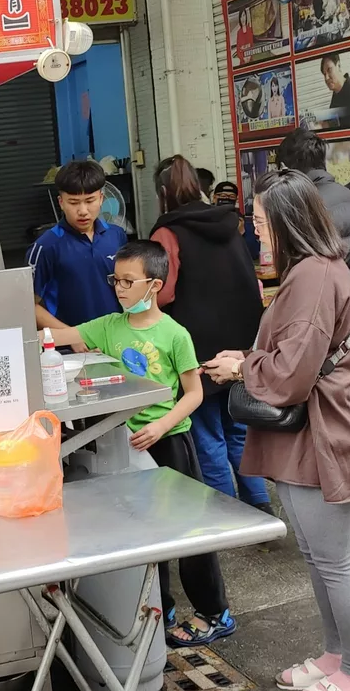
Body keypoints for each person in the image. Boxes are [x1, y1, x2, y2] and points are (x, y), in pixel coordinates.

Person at [202, 170, 350, 691]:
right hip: (308, 435)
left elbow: (291, 374)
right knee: (318, 557)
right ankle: (335, 655)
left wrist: (241, 365)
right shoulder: (313, 271)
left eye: (260, 224)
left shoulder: (313, 278)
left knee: (335, 563)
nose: (256, 234)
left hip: (321, 437)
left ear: (288, 225)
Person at [57, 240, 235, 647]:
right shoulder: (107, 326)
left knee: (189, 530)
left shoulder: (175, 334)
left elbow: (193, 393)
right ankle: (162, 606)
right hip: (126, 446)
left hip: (170, 441)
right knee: (144, 532)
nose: (119, 289)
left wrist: (161, 427)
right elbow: (58, 334)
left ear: (154, 285)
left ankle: (214, 612)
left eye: (128, 281)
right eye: (115, 280)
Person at [276, 127, 350, 583]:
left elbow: (322, 290)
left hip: (347, 345)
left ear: (286, 167)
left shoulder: (312, 209)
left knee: (344, 448)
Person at [149, 157, 270, 512]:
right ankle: (259, 502)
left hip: (197, 347)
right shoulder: (227, 222)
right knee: (239, 429)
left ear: (162, 192)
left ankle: (228, 512)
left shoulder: (167, 232)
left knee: (207, 436)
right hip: (238, 346)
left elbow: (164, 293)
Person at [29, 159, 126, 334]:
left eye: (90, 201)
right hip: (69, 348)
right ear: (61, 202)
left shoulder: (117, 236)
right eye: (73, 202)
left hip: (115, 338)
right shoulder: (45, 247)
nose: (83, 210)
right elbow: (28, 305)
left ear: (102, 199)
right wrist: (73, 336)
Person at [320, 53, 350, 127]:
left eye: (329, 70)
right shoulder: (336, 91)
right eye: (324, 74)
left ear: (338, 66)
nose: (326, 78)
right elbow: (333, 117)